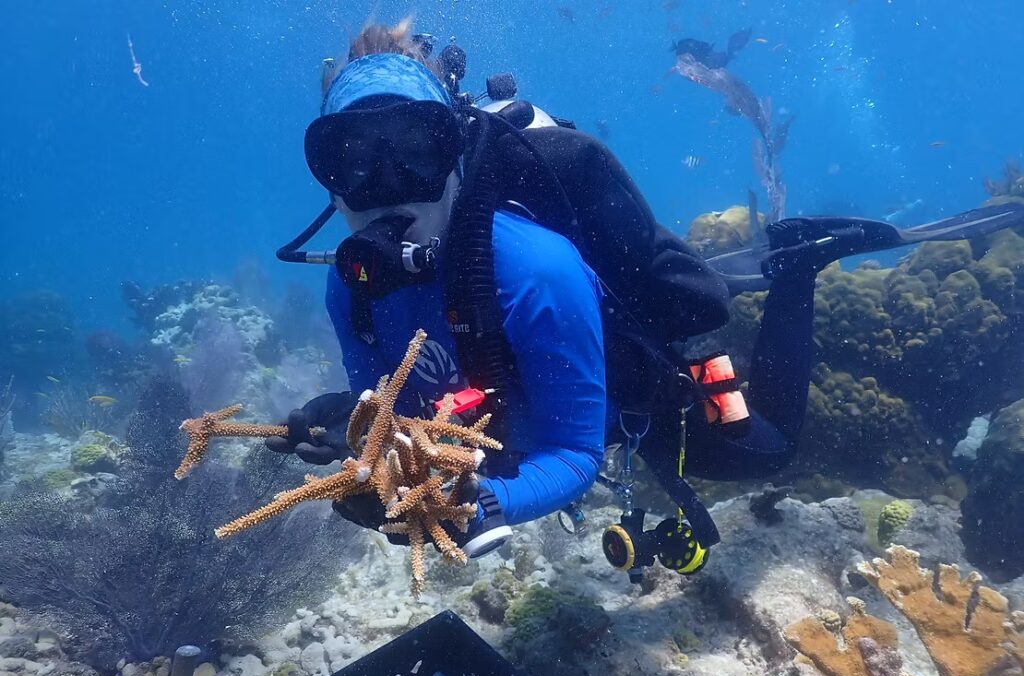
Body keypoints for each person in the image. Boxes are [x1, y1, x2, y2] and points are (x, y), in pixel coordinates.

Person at [269, 21, 1024, 572]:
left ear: (456, 157)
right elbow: (393, 414)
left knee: (769, 452)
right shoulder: (351, 289)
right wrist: (353, 431)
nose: (384, 190)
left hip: (631, 393)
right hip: (507, 415)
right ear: (326, 182)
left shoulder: (534, 269)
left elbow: (573, 454)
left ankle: (798, 269)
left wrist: (482, 504)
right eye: (350, 161)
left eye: (415, 152)